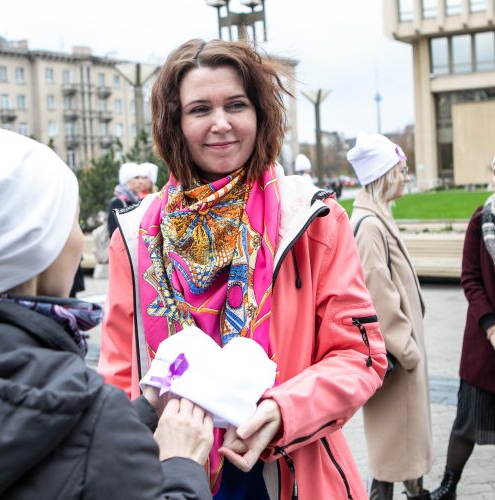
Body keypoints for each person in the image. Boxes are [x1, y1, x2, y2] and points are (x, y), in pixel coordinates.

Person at [98, 38, 387, 499]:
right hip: (168, 474)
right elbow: (116, 377)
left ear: (260, 114)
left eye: (236, 105)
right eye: (198, 110)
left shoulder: (312, 220)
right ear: (174, 123)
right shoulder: (132, 239)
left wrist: (282, 410)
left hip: (289, 468)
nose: (221, 124)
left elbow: (359, 355)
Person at [0, 128, 213, 499]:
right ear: (37, 244)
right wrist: (181, 466)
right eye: (72, 223)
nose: (79, 241)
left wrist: (141, 410)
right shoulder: (91, 414)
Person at [347, 133, 432, 500]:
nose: (405, 176)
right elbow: (378, 295)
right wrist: (409, 349)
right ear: (384, 175)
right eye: (400, 170)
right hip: (398, 359)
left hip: (399, 358)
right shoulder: (370, 225)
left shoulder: (375, 218)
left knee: (396, 453)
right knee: (396, 453)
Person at [430, 158, 495, 500]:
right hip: (485, 345)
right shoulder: (482, 219)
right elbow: (470, 278)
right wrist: (490, 325)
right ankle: (448, 486)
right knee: (467, 421)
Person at [107, 161, 145, 237]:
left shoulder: (141, 201)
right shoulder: (117, 202)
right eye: (136, 178)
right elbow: (114, 233)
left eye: (142, 178)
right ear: (126, 180)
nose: (141, 181)